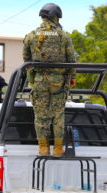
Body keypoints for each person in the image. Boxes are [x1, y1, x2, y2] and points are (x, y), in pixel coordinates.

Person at [23, 3, 76, 157]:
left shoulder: (31, 35)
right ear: (55, 16)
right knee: (57, 115)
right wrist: (72, 77)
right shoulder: (64, 36)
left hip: (39, 80)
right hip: (58, 81)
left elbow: (26, 60)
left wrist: (32, 78)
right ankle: (58, 149)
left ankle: (43, 148)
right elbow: (71, 59)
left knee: (40, 115)